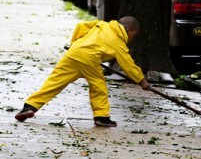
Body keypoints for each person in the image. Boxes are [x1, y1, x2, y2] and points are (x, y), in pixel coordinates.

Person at [15, 16, 150, 127]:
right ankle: (101, 116)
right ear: (128, 29)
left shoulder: (102, 24)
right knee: (98, 86)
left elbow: (81, 26)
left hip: (73, 53)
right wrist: (141, 80)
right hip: (90, 59)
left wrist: (75, 43)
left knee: (54, 82)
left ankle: (30, 106)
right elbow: (128, 65)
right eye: (134, 35)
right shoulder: (118, 42)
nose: (133, 38)